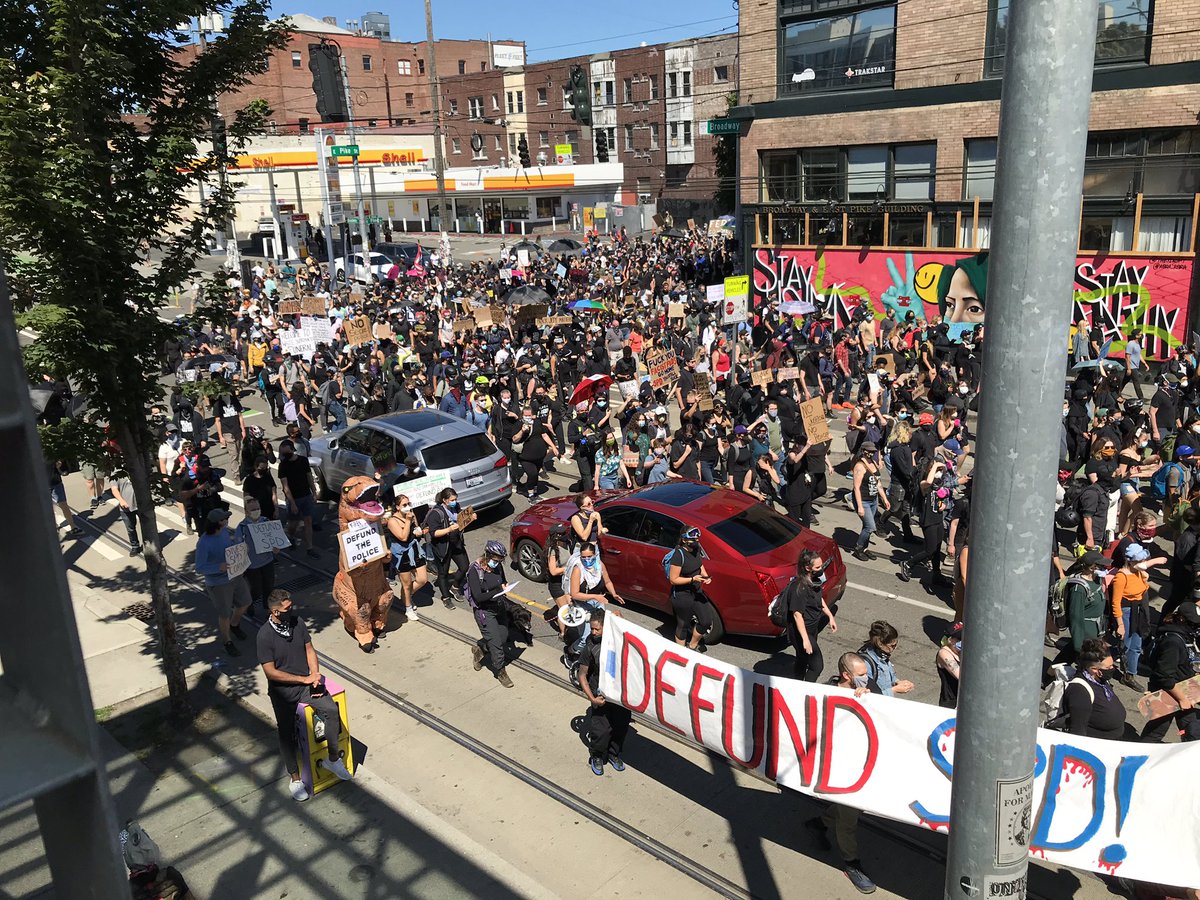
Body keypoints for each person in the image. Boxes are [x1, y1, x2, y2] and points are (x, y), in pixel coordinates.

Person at [257, 590, 353, 802]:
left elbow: (309, 649)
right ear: (275, 612)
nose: (291, 610)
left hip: (306, 684)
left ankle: (333, 759)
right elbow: (270, 672)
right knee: (286, 733)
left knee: (330, 710)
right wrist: (303, 680)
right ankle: (295, 778)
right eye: (286, 609)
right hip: (283, 692)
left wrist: (314, 673)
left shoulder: (297, 622)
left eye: (291, 606)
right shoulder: (264, 636)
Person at [805, 652, 879, 894]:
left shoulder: (870, 688)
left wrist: (869, 700)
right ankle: (852, 864)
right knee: (849, 821)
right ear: (846, 675)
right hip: (841, 769)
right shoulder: (827, 693)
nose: (866, 679)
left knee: (853, 809)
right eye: (860, 675)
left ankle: (820, 822)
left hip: (863, 763)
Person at [578, 608, 632, 776]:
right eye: (592, 628)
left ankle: (614, 754)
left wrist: (614, 617)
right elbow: (582, 675)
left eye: (597, 629)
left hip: (620, 695)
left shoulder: (617, 639)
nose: (593, 632)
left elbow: (622, 622)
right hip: (600, 695)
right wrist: (592, 699)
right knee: (600, 732)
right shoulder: (589, 647)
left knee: (620, 727)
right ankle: (597, 757)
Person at [194, 508, 253, 657]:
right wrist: (217, 567)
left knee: (245, 602)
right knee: (224, 613)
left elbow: (228, 548)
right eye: (224, 519)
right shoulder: (204, 542)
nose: (226, 521)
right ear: (216, 523)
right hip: (218, 583)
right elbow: (199, 567)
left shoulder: (225, 532)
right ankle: (227, 641)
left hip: (235, 575)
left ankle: (235, 624)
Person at [1141, 602, 1200, 743]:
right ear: (1182, 620)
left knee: (1192, 730)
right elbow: (1164, 676)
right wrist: (1182, 699)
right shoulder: (1173, 642)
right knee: (1155, 733)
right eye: (1194, 623)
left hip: (1184, 690)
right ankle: (1138, 759)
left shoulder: (1184, 635)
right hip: (1167, 694)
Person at [1062, 638, 1137, 740]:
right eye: (1109, 667)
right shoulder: (1079, 692)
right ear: (1094, 669)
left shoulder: (1099, 679)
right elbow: (1078, 732)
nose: (1113, 669)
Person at [467, 541, 517, 688]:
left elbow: (502, 580)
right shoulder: (474, 571)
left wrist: (505, 587)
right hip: (485, 611)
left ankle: (481, 648)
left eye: (500, 560)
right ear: (487, 555)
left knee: (502, 637)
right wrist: (496, 592)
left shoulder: (498, 567)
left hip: (499, 607)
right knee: (496, 646)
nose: (498, 563)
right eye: (495, 560)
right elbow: (478, 596)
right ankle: (500, 671)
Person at [787, 549, 837, 681]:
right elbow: (797, 615)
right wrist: (805, 640)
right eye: (818, 567)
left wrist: (829, 615)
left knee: (802, 658)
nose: (821, 569)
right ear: (807, 568)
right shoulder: (800, 588)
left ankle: (797, 681)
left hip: (812, 627)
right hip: (801, 632)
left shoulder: (813, 580)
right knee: (817, 666)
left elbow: (818, 598)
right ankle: (807, 689)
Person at [1111, 543, 1152, 690]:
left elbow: (1141, 591)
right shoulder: (1121, 577)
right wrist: (1120, 624)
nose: (1142, 563)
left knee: (1136, 645)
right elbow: (1116, 603)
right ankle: (1124, 672)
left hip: (1138, 610)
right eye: (1139, 561)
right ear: (1130, 561)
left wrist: (1145, 581)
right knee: (1126, 645)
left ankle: (1130, 674)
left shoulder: (1138, 573)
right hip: (1126, 611)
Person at [665, 527, 714, 651]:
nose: (696, 540)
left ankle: (692, 646)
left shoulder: (696, 548)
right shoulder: (678, 554)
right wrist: (692, 579)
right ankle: (681, 654)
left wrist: (705, 576)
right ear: (684, 539)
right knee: (683, 624)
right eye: (693, 538)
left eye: (697, 537)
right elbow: (673, 579)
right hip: (682, 595)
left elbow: (700, 564)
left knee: (706, 621)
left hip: (696, 591)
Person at [385, 492, 428, 622]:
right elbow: (403, 537)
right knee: (407, 583)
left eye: (408, 504)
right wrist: (408, 521)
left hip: (414, 549)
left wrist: (418, 530)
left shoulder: (411, 514)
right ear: (397, 507)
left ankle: (406, 595)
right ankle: (408, 607)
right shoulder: (392, 521)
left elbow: (415, 530)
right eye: (404, 505)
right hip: (402, 554)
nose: (407, 506)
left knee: (422, 579)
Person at [424, 487, 469, 609]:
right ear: (444, 500)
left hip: (456, 543)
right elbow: (434, 533)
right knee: (443, 573)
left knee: (464, 566)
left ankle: (455, 586)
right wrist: (449, 529)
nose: (455, 502)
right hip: (442, 546)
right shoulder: (436, 513)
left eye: (456, 499)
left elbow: (461, 520)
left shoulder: (456, 507)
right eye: (452, 499)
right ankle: (446, 597)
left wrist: (470, 518)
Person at [236, 497, 279, 613]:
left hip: (267, 561)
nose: (256, 511)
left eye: (258, 508)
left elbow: (275, 540)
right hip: (252, 565)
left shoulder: (266, 522)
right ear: (246, 511)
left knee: (269, 587)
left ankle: (268, 609)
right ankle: (248, 603)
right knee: (256, 589)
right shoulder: (242, 527)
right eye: (253, 509)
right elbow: (237, 547)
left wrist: (276, 548)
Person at [278, 440, 320, 559]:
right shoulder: (283, 465)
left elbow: (309, 476)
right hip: (294, 498)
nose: (285, 455)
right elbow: (285, 486)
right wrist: (292, 503)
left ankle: (310, 547)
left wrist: (314, 492)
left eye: (286, 452)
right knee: (293, 523)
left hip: (306, 495)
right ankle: (291, 536)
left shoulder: (303, 460)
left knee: (308, 521)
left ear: (292, 449)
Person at [849, 441, 890, 562]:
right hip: (864, 501)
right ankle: (858, 548)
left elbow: (878, 483)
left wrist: (884, 498)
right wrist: (860, 506)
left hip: (873, 500)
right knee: (870, 527)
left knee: (866, 526)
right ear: (863, 451)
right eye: (869, 451)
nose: (872, 453)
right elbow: (856, 487)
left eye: (873, 451)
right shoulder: (860, 466)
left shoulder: (873, 463)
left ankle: (865, 548)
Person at [857, 621, 913, 697]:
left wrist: (898, 682)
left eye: (896, 644)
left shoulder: (882, 655)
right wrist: (895, 689)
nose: (895, 648)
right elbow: (868, 694)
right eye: (892, 645)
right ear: (880, 644)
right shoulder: (865, 664)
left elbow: (887, 675)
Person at [109, 470, 143, 556]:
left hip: (140, 504)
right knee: (130, 528)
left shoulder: (135, 468)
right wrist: (121, 500)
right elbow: (114, 489)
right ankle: (135, 546)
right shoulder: (115, 474)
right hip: (126, 506)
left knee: (146, 525)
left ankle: (149, 544)